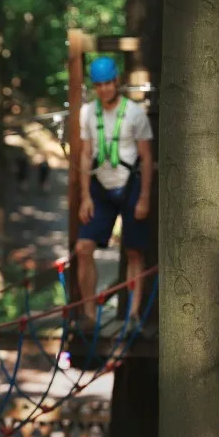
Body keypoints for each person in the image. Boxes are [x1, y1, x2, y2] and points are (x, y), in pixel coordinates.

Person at [76, 56, 153, 331]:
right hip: (100, 186)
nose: (105, 89)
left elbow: (146, 157)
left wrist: (144, 197)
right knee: (83, 247)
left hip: (129, 185)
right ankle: (88, 314)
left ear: (116, 82)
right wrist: (85, 196)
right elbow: (86, 155)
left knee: (134, 251)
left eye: (108, 83)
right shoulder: (87, 113)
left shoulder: (135, 113)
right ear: (94, 87)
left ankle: (132, 315)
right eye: (99, 85)